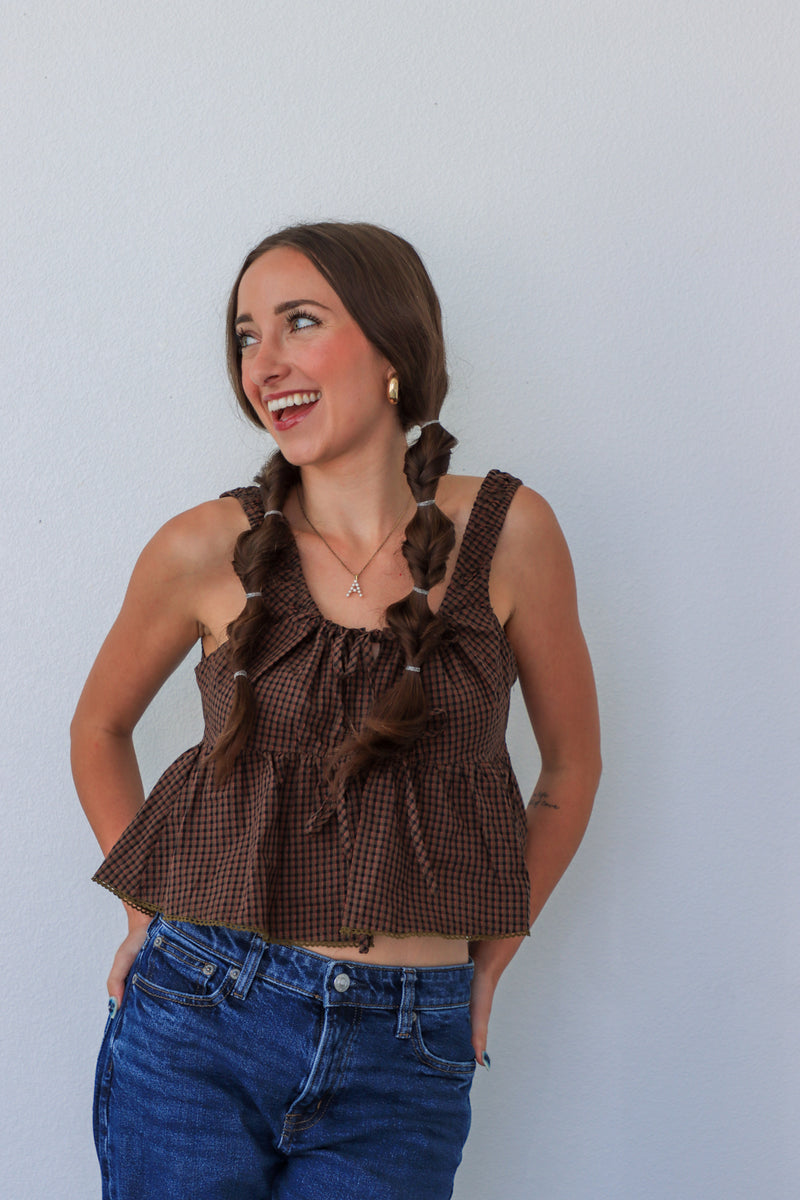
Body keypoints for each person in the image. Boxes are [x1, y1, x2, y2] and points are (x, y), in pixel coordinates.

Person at [71, 221, 601, 1200]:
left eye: (299, 323)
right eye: (245, 337)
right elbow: (97, 730)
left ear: (392, 343)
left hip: (410, 1043)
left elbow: (569, 769)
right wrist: (144, 911)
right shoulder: (202, 547)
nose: (262, 363)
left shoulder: (511, 533)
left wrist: (488, 960)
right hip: (199, 1011)